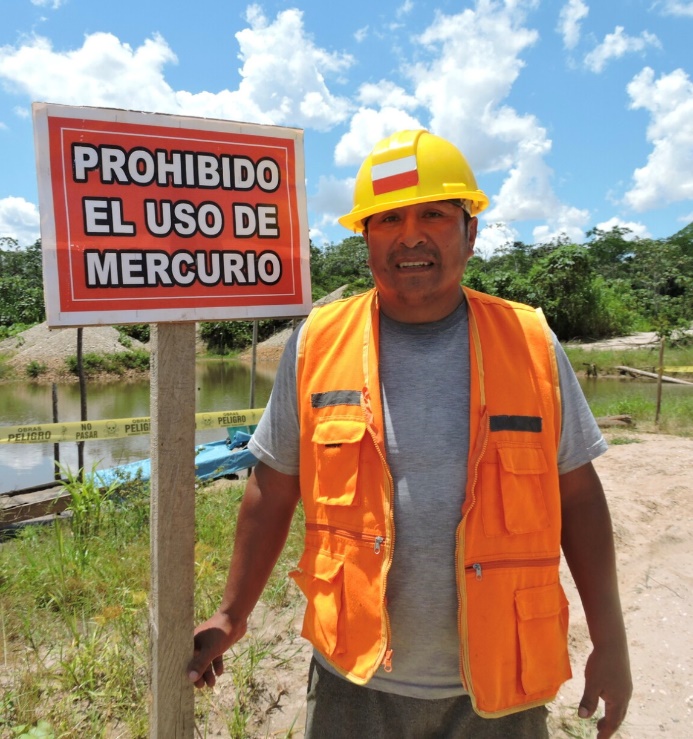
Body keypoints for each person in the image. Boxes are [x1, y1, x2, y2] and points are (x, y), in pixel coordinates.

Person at [188, 130, 632, 738]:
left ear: (470, 232)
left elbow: (578, 499)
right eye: (388, 218)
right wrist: (232, 614)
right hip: (354, 684)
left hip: (498, 692)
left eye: (435, 215)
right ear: (365, 238)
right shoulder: (317, 343)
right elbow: (273, 487)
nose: (411, 235)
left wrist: (610, 639)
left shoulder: (530, 344)